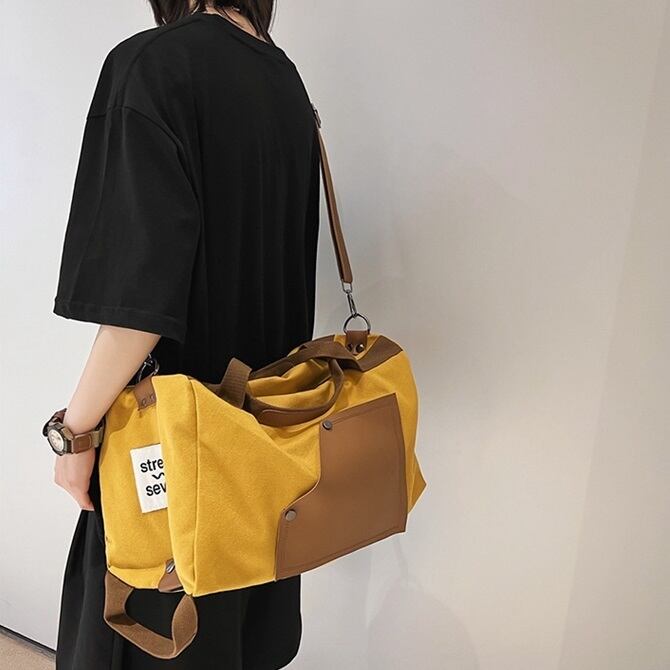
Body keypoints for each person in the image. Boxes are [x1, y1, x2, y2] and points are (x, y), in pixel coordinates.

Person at [46, 2, 321, 667]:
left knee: (144, 638)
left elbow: (139, 304)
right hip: (261, 457)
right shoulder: (285, 80)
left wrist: (73, 433)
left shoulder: (153, 64)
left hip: (169, 461)